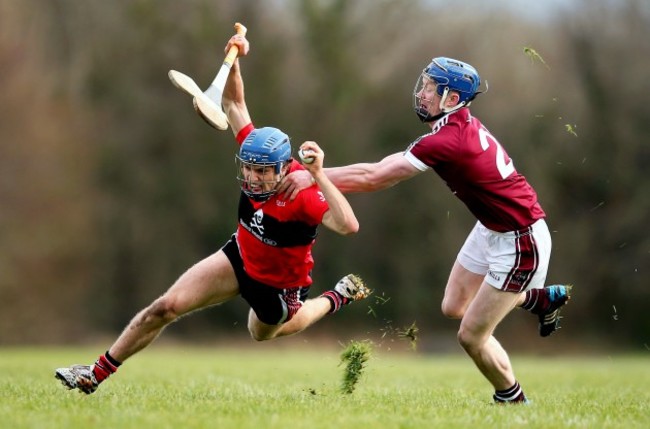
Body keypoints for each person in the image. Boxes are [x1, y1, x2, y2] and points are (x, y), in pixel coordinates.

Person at [55, 32, 370, 395]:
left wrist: (317, 175)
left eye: (263, 171)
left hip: (279, 287)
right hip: (239, 256)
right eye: (248, 168)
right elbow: (234, 104)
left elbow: (348, 224)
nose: (253, 177)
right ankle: (94, 374)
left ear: (284, 168)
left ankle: (335, 298)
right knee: (165, 307)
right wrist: (234, 59)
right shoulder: (256, 156)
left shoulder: (302, 193)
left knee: (262, 332)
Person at [279, 57, 571, 404]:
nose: (422, 93)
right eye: (425, 84)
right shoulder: (455, 126)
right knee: (453, 305)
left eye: (431, 88)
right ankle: (539, 299)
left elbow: (375, 176)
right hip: (493, 227)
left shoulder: (446, 140)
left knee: (471, 337)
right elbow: (376, 170)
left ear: (452, 98)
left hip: (520, 239)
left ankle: (512, 400)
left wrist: (315, 175)